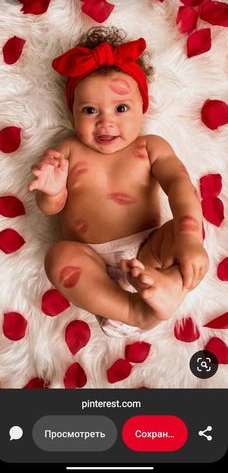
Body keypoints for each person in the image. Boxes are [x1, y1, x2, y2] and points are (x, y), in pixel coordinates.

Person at [28, 26, 209, 337]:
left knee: (183, 229)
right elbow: (51, 208)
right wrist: (52, 190)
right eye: (89, 110)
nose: (105, 121)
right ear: (72, 114)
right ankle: (134, 311)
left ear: (143, 108)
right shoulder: (68, 150)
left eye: (121, 108)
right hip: (92, 266)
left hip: (149, 253)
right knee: (59, 256)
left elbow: (180, 185)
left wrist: (190, 239)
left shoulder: (150, 147)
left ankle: (167, 286)